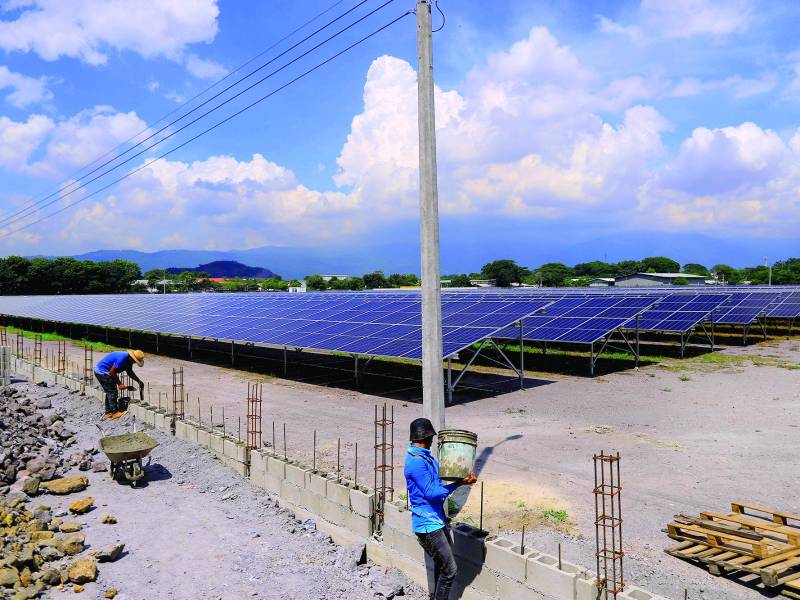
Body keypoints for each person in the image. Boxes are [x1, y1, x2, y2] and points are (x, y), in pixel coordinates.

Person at [404, 417, 477, 600]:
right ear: (425, 438)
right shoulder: (415, 462)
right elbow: (432, 493)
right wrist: (459, 483)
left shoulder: (425, 457)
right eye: (431, 438)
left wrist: (460, 473)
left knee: (442, 566)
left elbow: (442, 476)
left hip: (436, 520)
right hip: (428, 526)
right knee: (450, 570)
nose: (432, 441)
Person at [94, 349, 145, 419]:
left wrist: (138, 381)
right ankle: (115, 413)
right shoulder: (123, 358)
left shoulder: (128, 360)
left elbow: (129, 372)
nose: (134, 362)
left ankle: (108, 412)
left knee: (109, 391)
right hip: (102, 372)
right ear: (131, 357)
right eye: (134, 361)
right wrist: (120, 384)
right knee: (113, 392)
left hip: (103, 371)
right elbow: (112, 372)